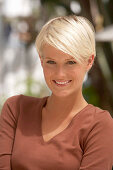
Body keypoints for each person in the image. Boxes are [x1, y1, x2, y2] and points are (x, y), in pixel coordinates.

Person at [0, 15, 113, 170]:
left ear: (89, 61)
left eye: (71, 62)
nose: (60, 74)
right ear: (41, 60)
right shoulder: (16, 109)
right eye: (51, 62)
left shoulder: (99, 125)